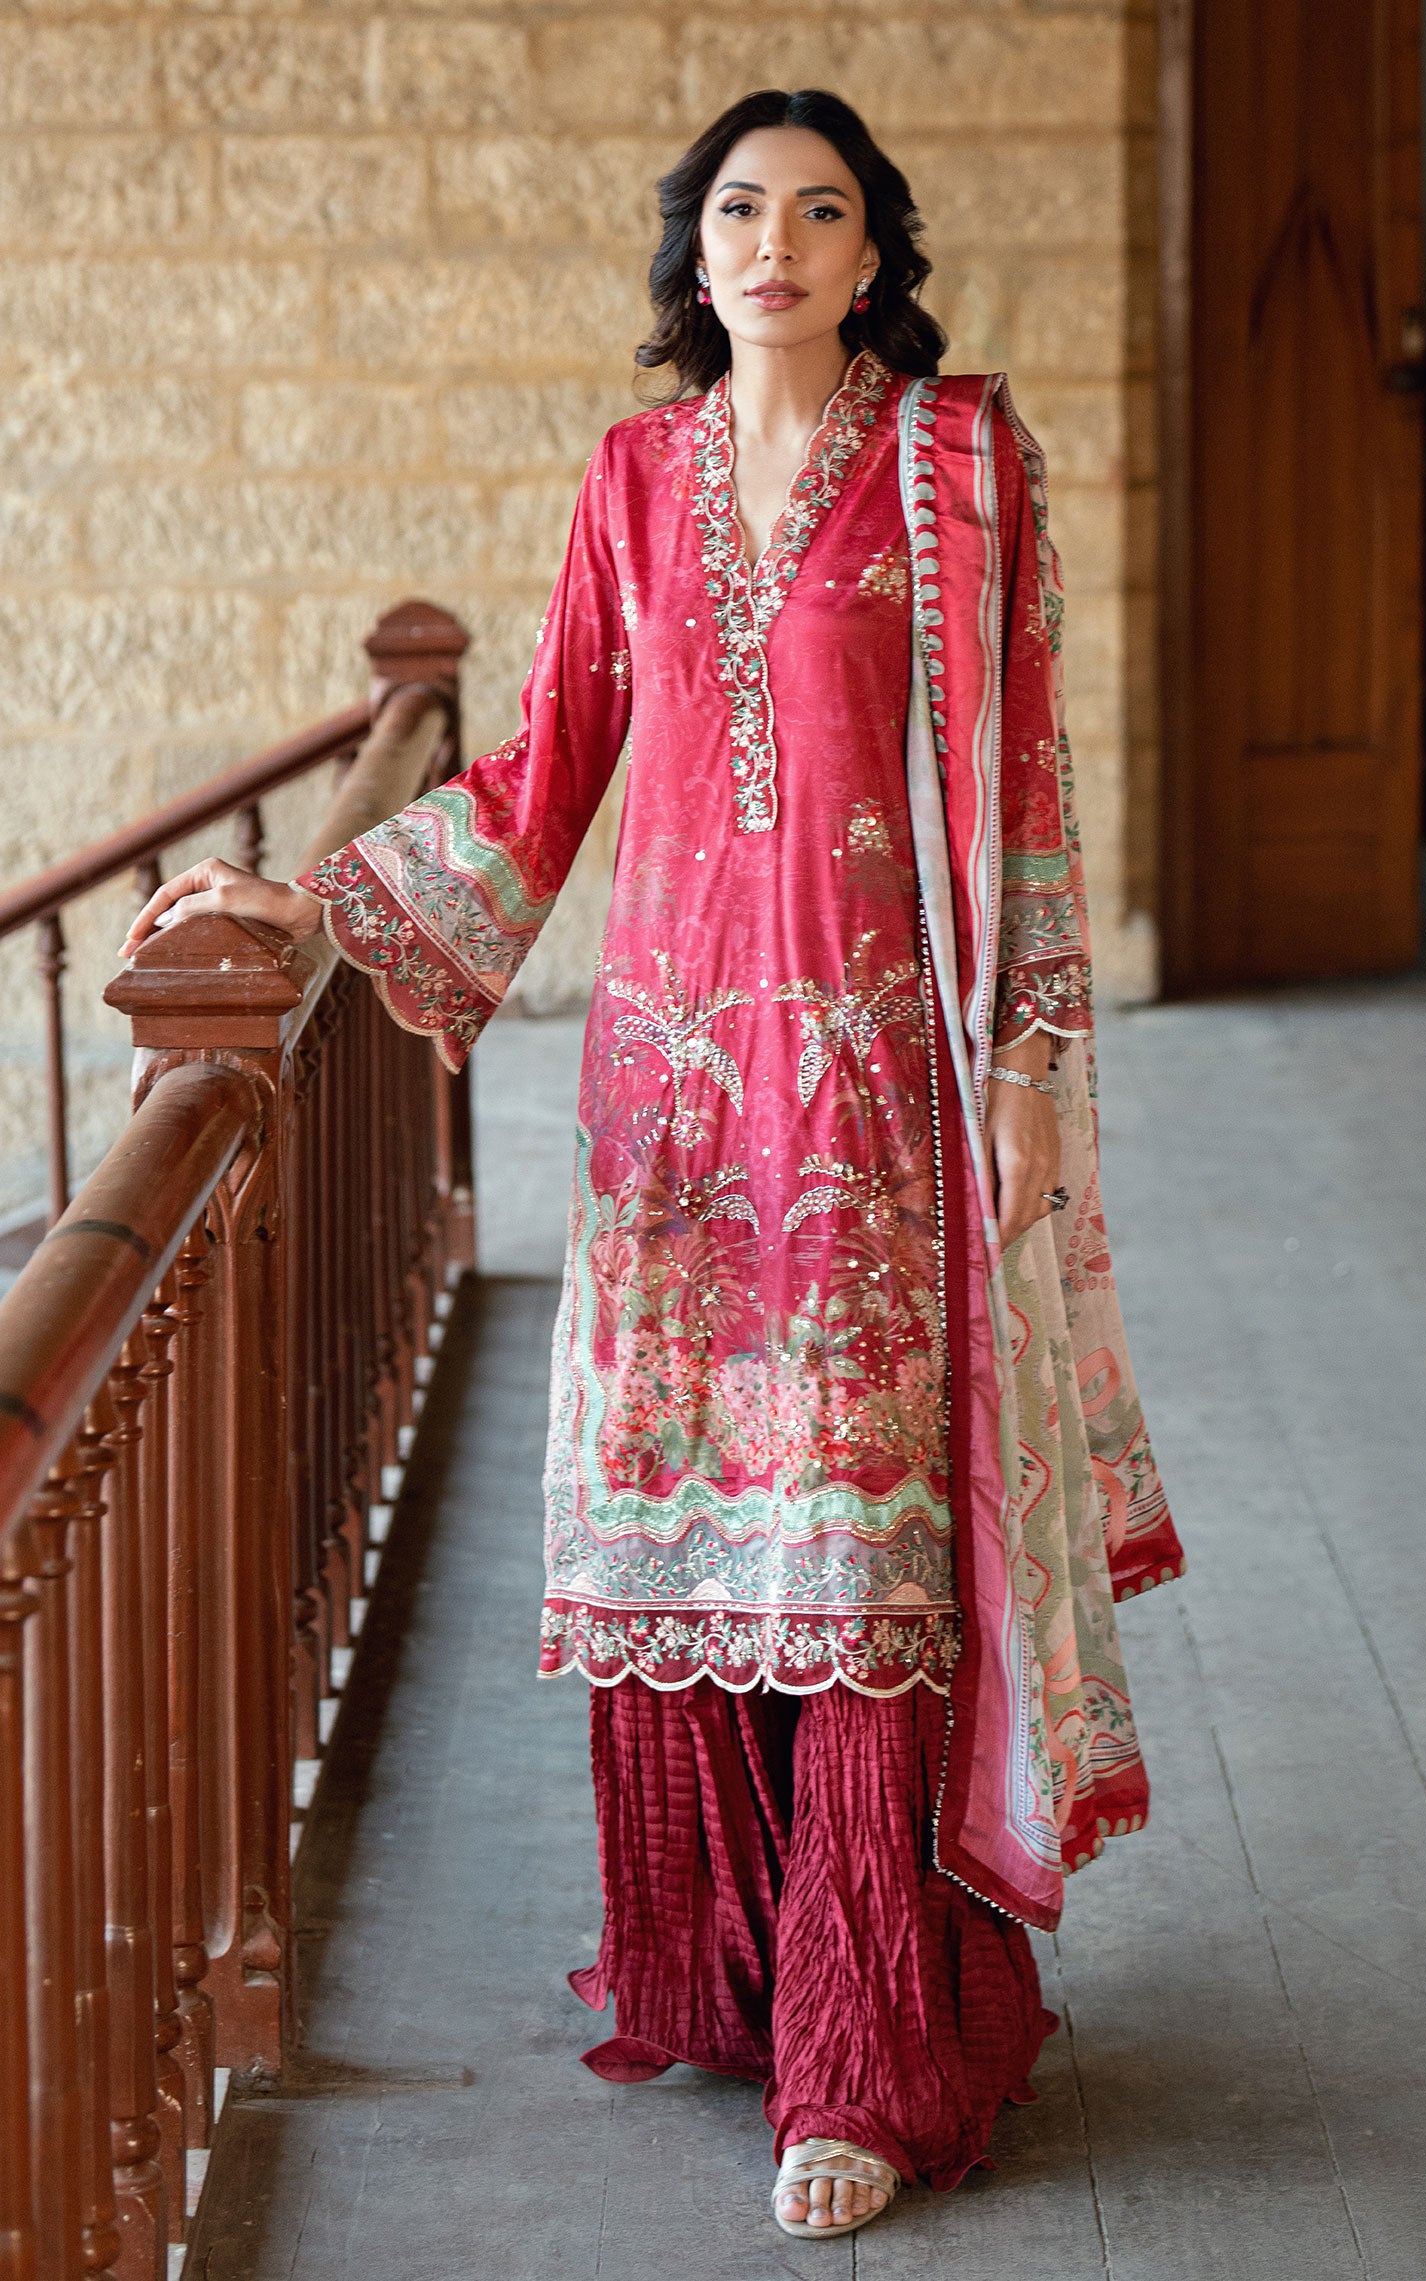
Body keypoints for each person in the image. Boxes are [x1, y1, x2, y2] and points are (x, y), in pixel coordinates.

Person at [121, 88, 1184, 2242]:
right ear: (688, 255)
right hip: (674, 1115)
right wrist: (299, 913)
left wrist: (1028, 1069)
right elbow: (539, 775)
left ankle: (863, 2056)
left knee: (861, 1561)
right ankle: (727, 1970)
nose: (771, 242)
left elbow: (1031, 795)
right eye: (734, 209)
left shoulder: (956, 473)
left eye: (817, 210)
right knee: (705, 1549)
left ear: (874, 250)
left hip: (877, 1098)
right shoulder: (633, 479)